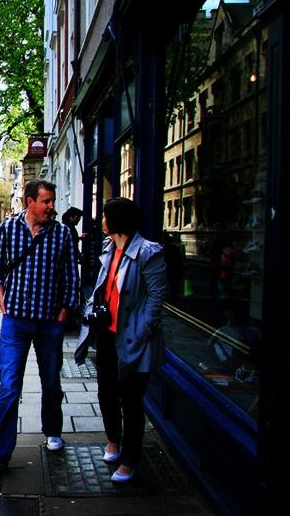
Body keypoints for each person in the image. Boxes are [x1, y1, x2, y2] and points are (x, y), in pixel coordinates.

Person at [0, 179, 79, 475]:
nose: (52, 207)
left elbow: (71, 278)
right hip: (16, 324)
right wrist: (4, 308)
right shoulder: (8, 230)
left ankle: (52, 431)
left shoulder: (61, 234)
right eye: (46, 201)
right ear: (29, 202)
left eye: (53, 200)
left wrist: (62, 314)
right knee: (9, 387)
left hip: (49, 324)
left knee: (51, 382)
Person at [74, 197, 167, 483]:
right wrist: (91, 311)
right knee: (106, 392)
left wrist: (142, 330)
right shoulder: (110, 248)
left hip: (133, 339)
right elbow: (102, 289)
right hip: (107, 335)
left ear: (116, 220)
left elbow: (156, 296)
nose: (101, 220)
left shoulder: (148, 253)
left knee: (132, 400)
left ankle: (130, 460)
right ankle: (113, 441)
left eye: (104, 215)